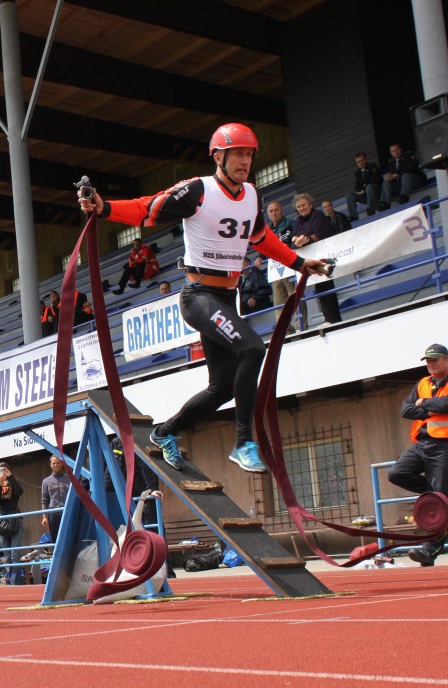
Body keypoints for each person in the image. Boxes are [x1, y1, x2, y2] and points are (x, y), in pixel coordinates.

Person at [78, 123, 328, 473]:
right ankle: (243, 443)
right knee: (254, 348)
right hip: (198, 296)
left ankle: (165, 433)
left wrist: (300, 262)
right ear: (219, 157)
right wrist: (104, 208)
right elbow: (145, 209)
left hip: (227, 298)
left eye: (249, 154)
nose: (245, 160)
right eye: (237, 153)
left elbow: (262, 238)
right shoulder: (198, 190)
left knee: (223, 388)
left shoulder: (253, 195)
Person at [387, 343, 448, 566]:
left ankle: (430, 551)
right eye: (428, 360)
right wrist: (432, 408)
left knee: (441, 499)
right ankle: (439, 494)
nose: (431, 363)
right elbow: (406, 409)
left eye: (435, 359)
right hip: (423, 443)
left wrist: (424, 404)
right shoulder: (422, 383)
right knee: (397, 473)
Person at [292, 192, 342, 325]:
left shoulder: (318, 215)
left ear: (310, 204)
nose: (301, 208)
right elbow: (293, 242)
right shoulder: (298, 221)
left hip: (324, 257)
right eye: (299, 207)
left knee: (326, 287)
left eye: (303, 205)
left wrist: (304, 241)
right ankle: (328, 319)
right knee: (319, 289)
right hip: (310, 260)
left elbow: (322, 234)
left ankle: (333, 319)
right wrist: (299, 243)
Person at [0, 462, 24, 584]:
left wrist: (10, 478)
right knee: (7, 555)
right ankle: (12, 581)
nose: (2, 473)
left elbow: (19, 492)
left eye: (4, 470)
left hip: (15, 518)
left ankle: (16, 583)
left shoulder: (14, 481)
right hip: (1, 519)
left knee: (15, 554)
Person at [265, 201, 296, 325]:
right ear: (268, 214)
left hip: (289, 265)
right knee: (279, 302)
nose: (274, 213)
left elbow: (295, 242)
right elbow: (264, 248)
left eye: (276, 210)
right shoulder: (267, 230)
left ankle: (300, 326)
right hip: (275, 269)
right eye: (271, 211)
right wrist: (260, 258)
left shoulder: (290, 224)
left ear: (282, 211)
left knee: (294, 297)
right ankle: (284, 330)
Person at [380, 142, 427, 208]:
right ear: (391, 153)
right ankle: (385, 204)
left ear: (401, 149)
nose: (395, 153)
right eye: (393, 151)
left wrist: (395, 175)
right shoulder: (391, 162)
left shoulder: (409, 155)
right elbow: (392, 174)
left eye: (397, 150)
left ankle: (404, 197)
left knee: (406, 176)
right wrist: (388, 177)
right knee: (386, 182)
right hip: (402, 184)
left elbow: (411, 169)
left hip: (415, 180)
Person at [41, 455, 71, 541]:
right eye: (54, 463)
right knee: (55, 539)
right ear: (50, 464)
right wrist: (44, 517)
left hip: (67, 512)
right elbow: (44, 500)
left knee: (69, 538)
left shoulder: (69, 478)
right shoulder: (46, 481)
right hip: (53, 514)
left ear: (62, 464)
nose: (56, 465)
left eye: (58, 463)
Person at [345, 152, 383, 220]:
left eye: (362, 160)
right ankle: (353, 217)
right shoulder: (358, 172)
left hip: (377, 193)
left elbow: (375, 181)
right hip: (367, 196)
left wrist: (363, 190)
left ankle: (371, 209)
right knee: (349, 194)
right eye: (358, 162)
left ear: (366, 159)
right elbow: (356, 187)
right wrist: (361, 191)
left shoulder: (372, 166)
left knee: (369, 187)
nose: (360, 163)